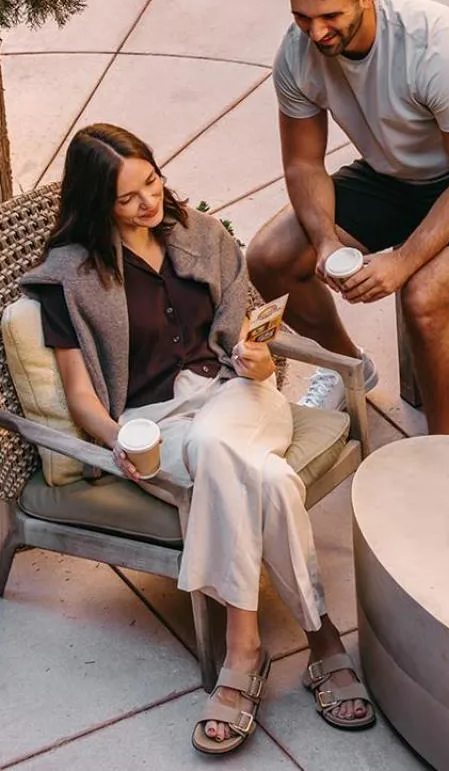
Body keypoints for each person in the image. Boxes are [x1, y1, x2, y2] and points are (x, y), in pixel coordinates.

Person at [22, 124, 374, 756]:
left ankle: (244, 653)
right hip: (159, 425)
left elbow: (250, 343)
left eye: (151, 182)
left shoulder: (203, 237)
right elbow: (80, 396)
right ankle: (323, 642)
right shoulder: (68, 280)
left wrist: (259, 362)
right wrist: (118, 439)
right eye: (128, 198)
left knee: (219, 443)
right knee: (262, 478)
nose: (149, 203)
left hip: (240, 399)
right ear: (96, 201)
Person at [246, 0, 449, 435]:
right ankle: (348, 365)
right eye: (302, 16)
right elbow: (304, 165)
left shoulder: (436, 47)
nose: (316, 33)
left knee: (424, 298)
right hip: (394, 174)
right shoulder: (296, 54)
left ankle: (444, 447)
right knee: (270, 256)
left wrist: (401, 261)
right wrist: (325, 239)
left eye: (331, 15)